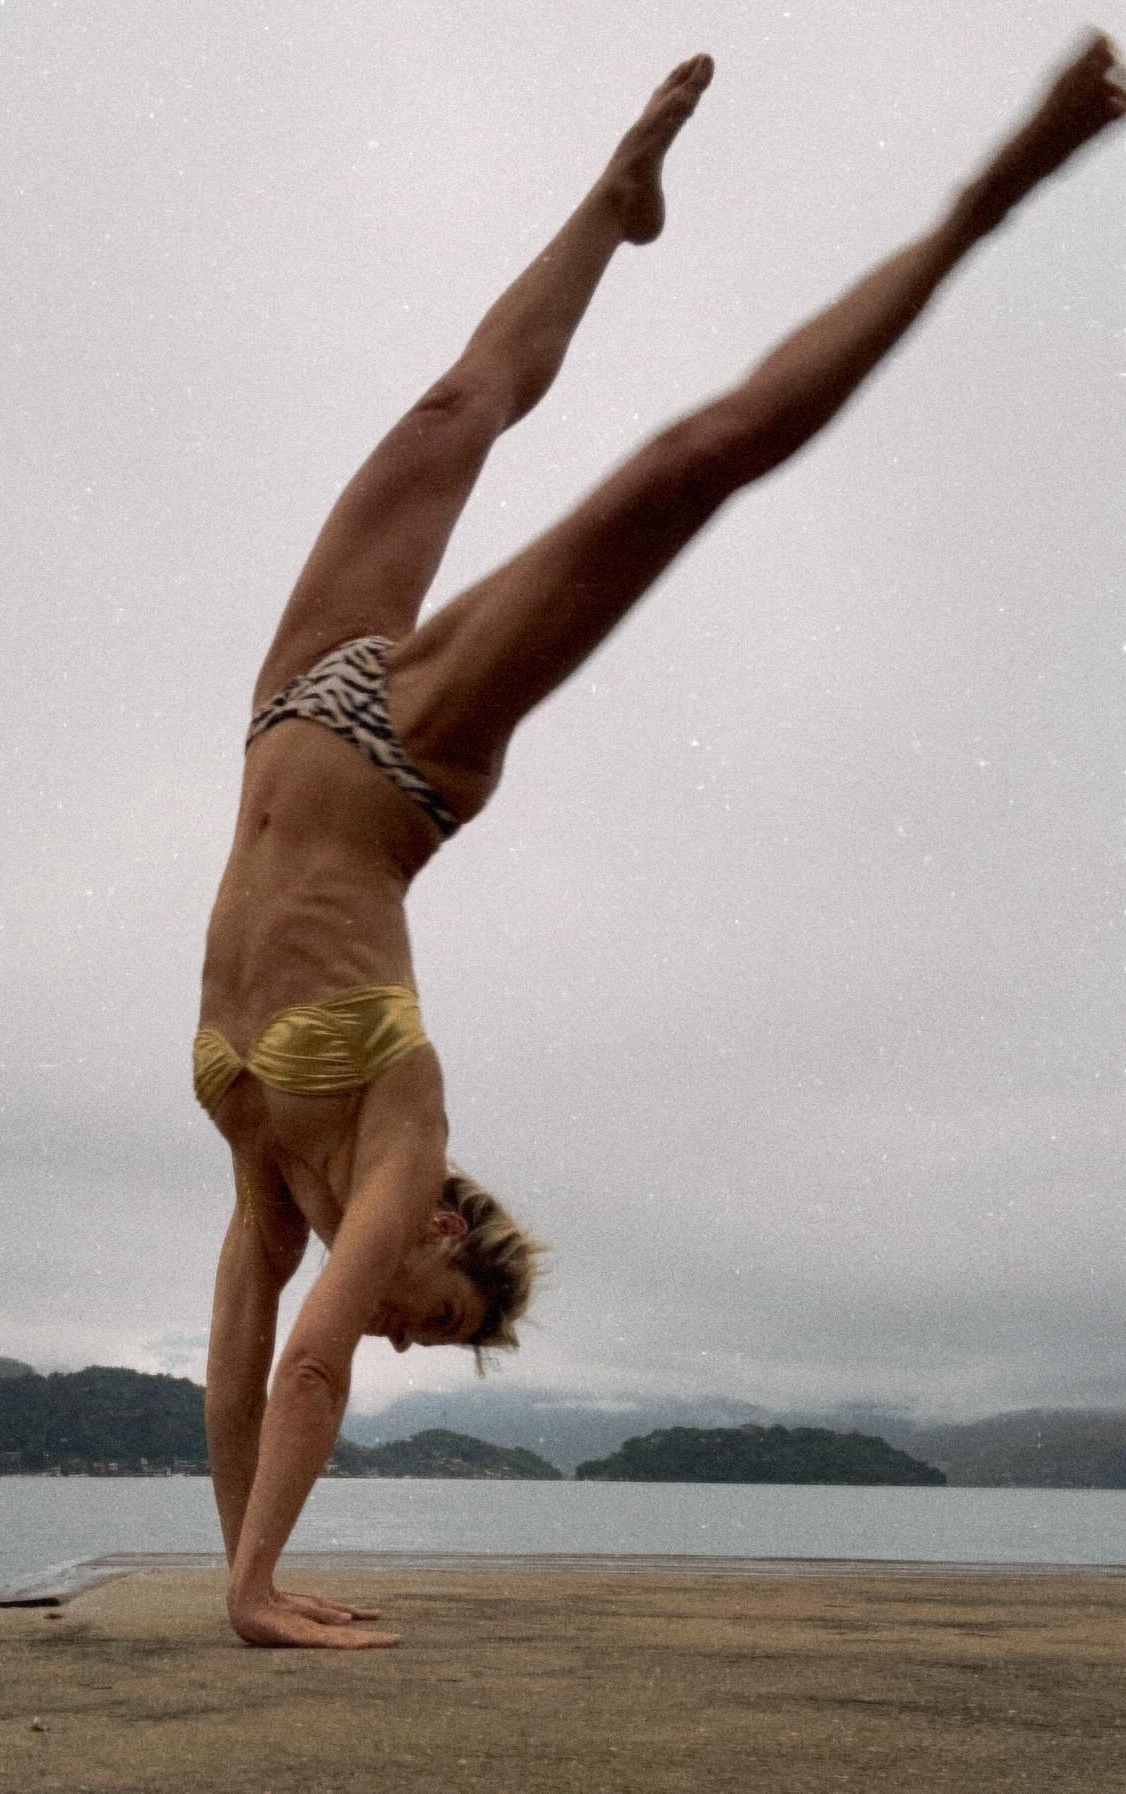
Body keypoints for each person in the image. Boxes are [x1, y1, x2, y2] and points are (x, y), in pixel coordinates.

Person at [194, 35, 1124, 1647]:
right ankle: (678, 203)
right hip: (390, 749)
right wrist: (256, 1583)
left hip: (297, 726)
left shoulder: (284, 1180)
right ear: (438, 1230)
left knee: (631, 454)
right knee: (526, 418)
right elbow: (304, 1361)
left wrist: (241, 1575)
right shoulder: (400, 1134)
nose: (410, 1339)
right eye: (442, 1311)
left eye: (428, 1338)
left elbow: (252, 1342)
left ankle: (949, 201)